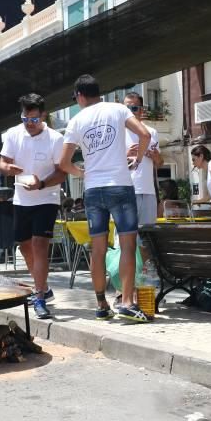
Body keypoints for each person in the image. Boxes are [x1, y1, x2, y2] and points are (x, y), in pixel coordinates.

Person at [59, 74, 152, 322]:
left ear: (79, 96)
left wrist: (81, 172)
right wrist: (138, 159)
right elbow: (144, 135)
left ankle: (101, 305)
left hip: (93, 190)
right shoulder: (118, 109)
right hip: (120, 185)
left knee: (98, 250)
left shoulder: (76, 121)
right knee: (128, 245)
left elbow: (63, 163)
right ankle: (127, 302)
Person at [0, 93, 67, 320]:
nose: (29, 124)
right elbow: (2, 163)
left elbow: (61, 172)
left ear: (43, 115)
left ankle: (38, 297)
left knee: (39, 245)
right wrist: (9, 169)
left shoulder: (56, 139)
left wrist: (43, 184)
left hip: (47, 197)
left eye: (34, 120)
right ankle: (44, 288)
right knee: (25, 246)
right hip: (21, 198)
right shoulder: (13, 134)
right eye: (25, 119)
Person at [124, 92, 163, 232]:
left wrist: (156, 156)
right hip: (126, 190)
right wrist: (126, 155)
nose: (129, 112)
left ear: (141, 110)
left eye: (133, 108)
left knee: (148, 238)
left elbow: (159, 163)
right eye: (126, 108)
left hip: (148, 191)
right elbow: (111, 163)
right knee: (126, 236)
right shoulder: (119, 132)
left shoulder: (151, 132)